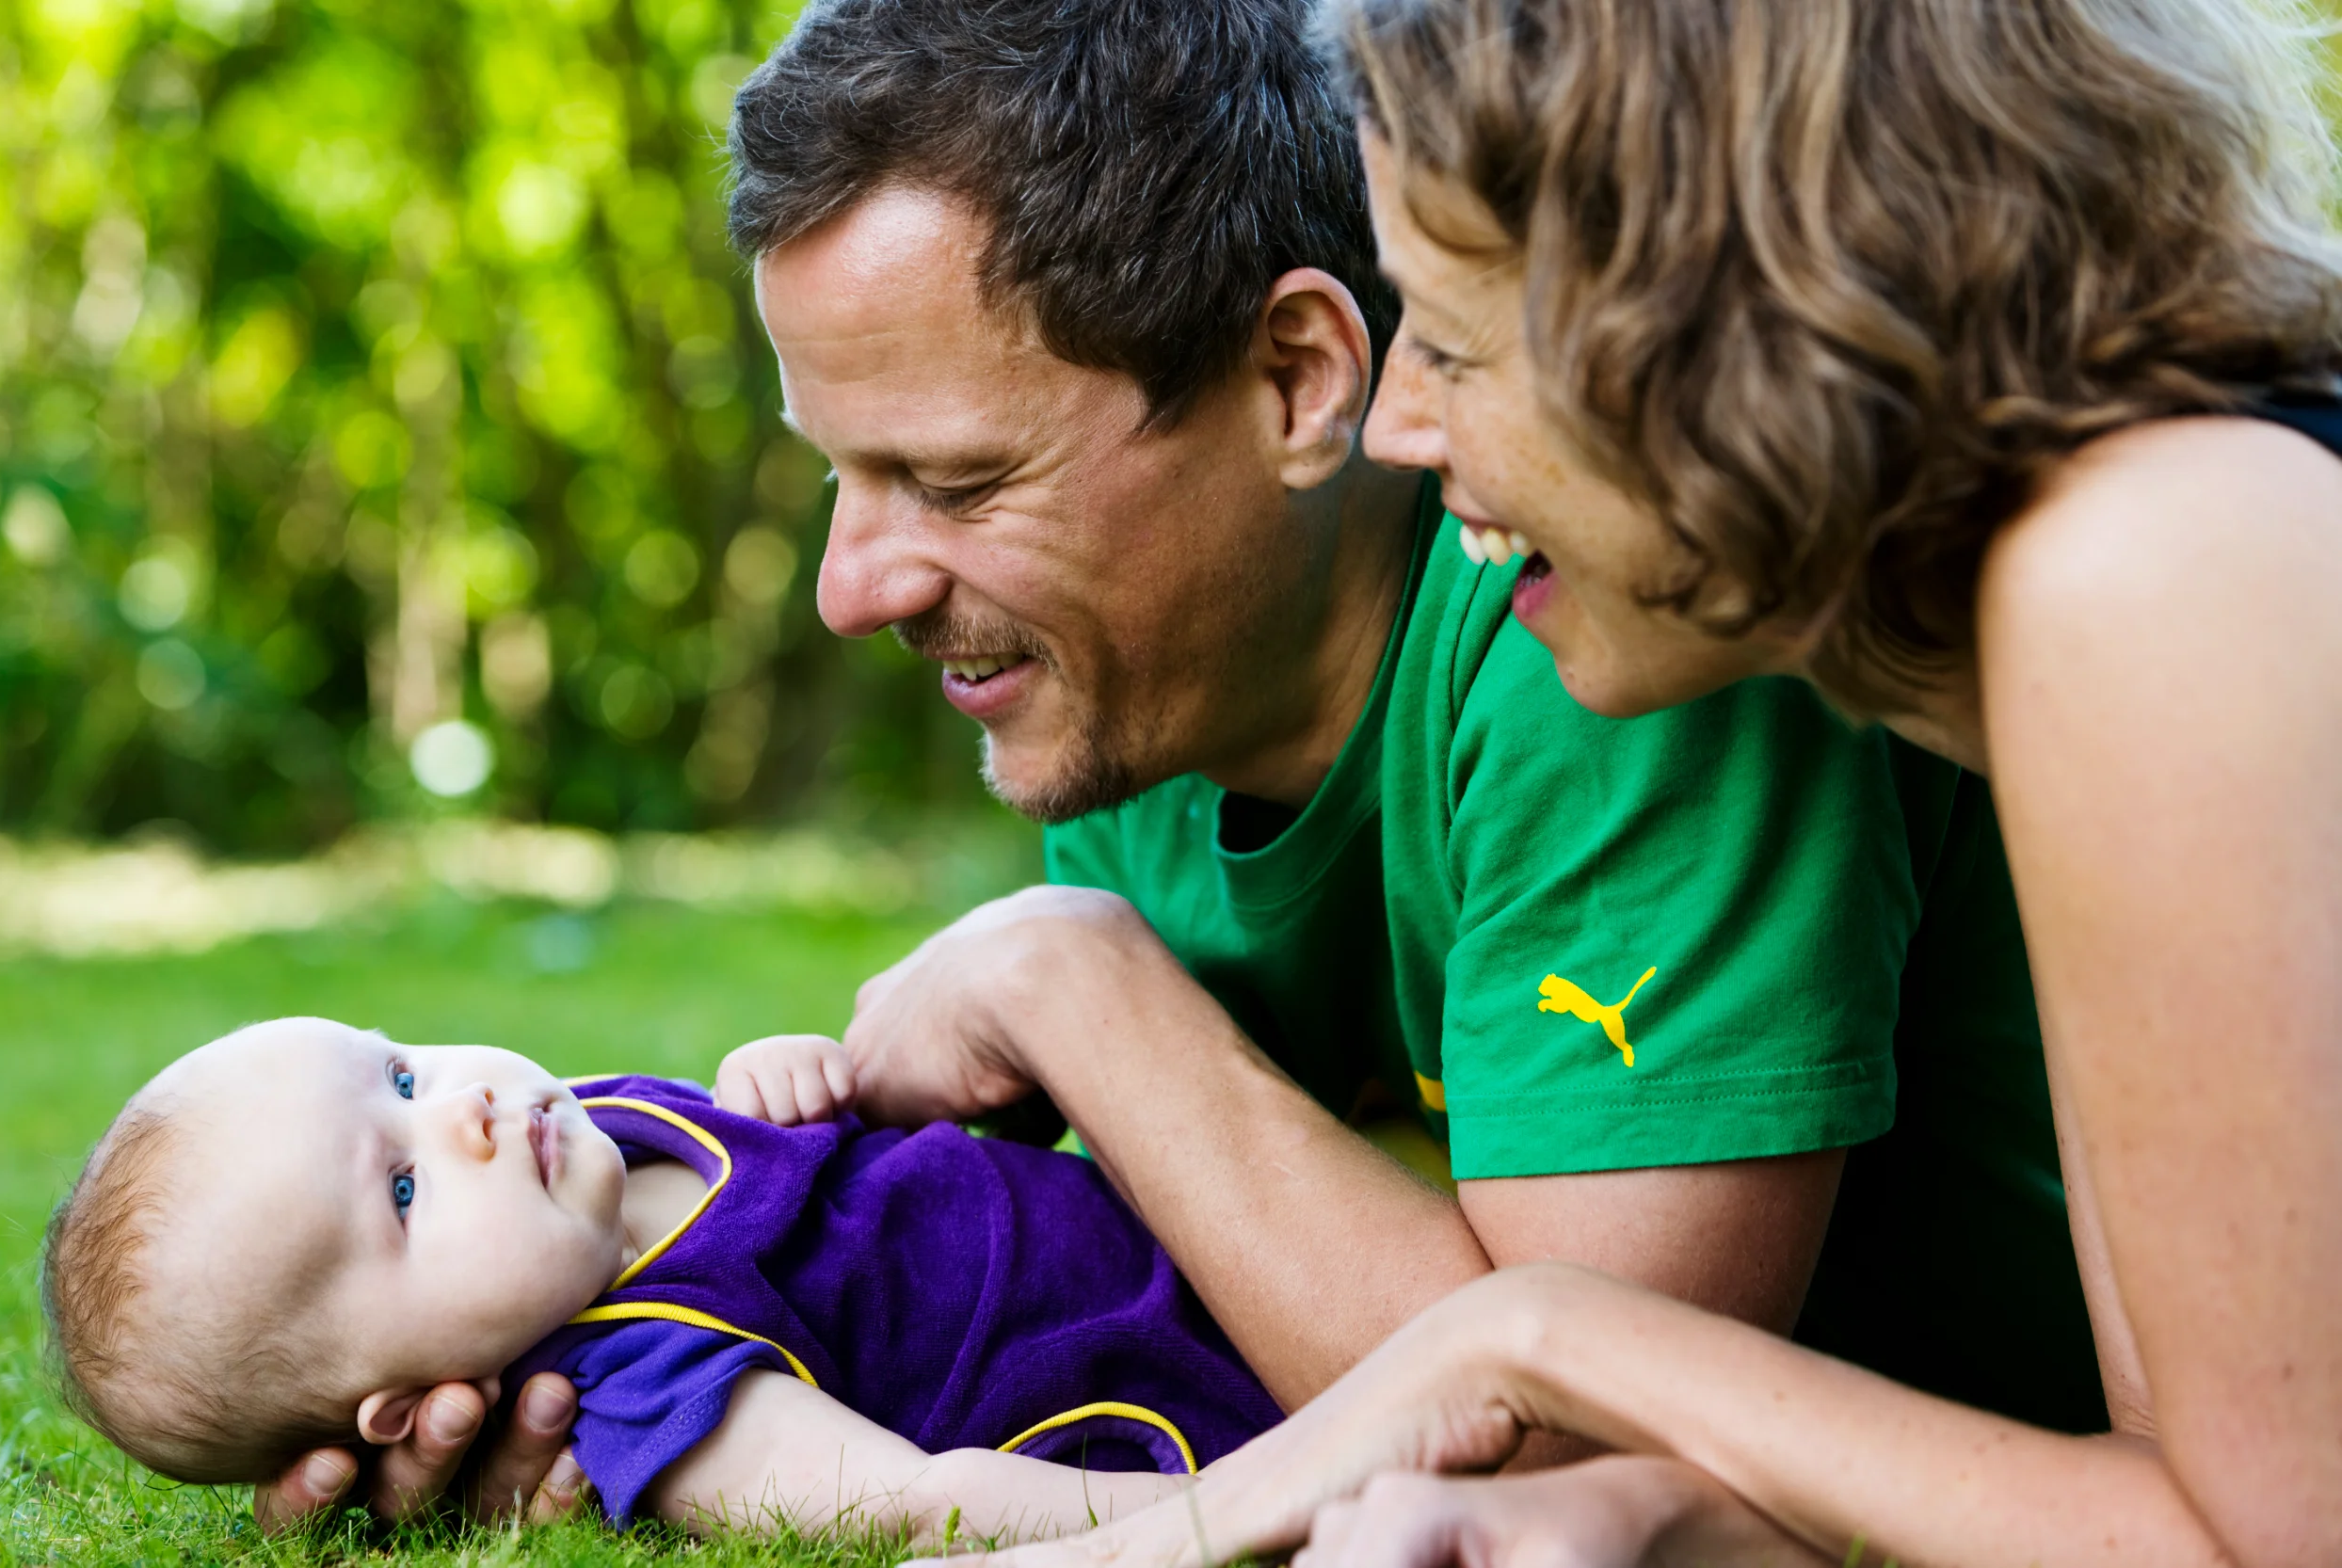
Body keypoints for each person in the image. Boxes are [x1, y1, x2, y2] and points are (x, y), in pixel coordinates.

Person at [256, 0, 2096, 1527]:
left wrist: (1074, 984)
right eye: (841, 470)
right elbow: (1183, 1287)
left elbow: (1555, 1451)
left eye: (959, 481)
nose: (848, 585)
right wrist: (593, 1312)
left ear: (1296, 380)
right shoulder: (1144, 688)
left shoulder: (1605, 622)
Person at [944, 0, 2342, 1564]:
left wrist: (1544, 1338)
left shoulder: (2161, 563)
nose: (1395, 425)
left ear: (1739, 324)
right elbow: (2179, 1493)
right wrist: (1677, 1509)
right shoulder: (2126, 569)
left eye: (1457, 344)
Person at [45, 1019, 1276, 1536]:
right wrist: (1264, 1494)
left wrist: (788, 1067)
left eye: (402, 1073)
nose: (464, 1109)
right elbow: (914, 1499)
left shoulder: (602, 1127)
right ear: (406, 1400)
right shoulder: (649, 1379)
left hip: (1203, 1220)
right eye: (404, 1192)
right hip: (1199, 1391)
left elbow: (828, 1171)